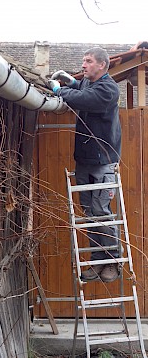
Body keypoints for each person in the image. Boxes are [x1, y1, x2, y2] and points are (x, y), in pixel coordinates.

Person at [48, 47, 122, 283]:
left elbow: (82, 99)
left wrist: (60, 90)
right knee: (90, 213)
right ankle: (98, 260)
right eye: (83, 61)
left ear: (102, 65)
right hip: (85, 160)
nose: (83, 65)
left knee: (101, 212)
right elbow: (81, 88)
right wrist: (71, 81)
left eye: (88, 61)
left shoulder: (108, 89)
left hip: (102, 162)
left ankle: (112, 262)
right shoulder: (90, 83)